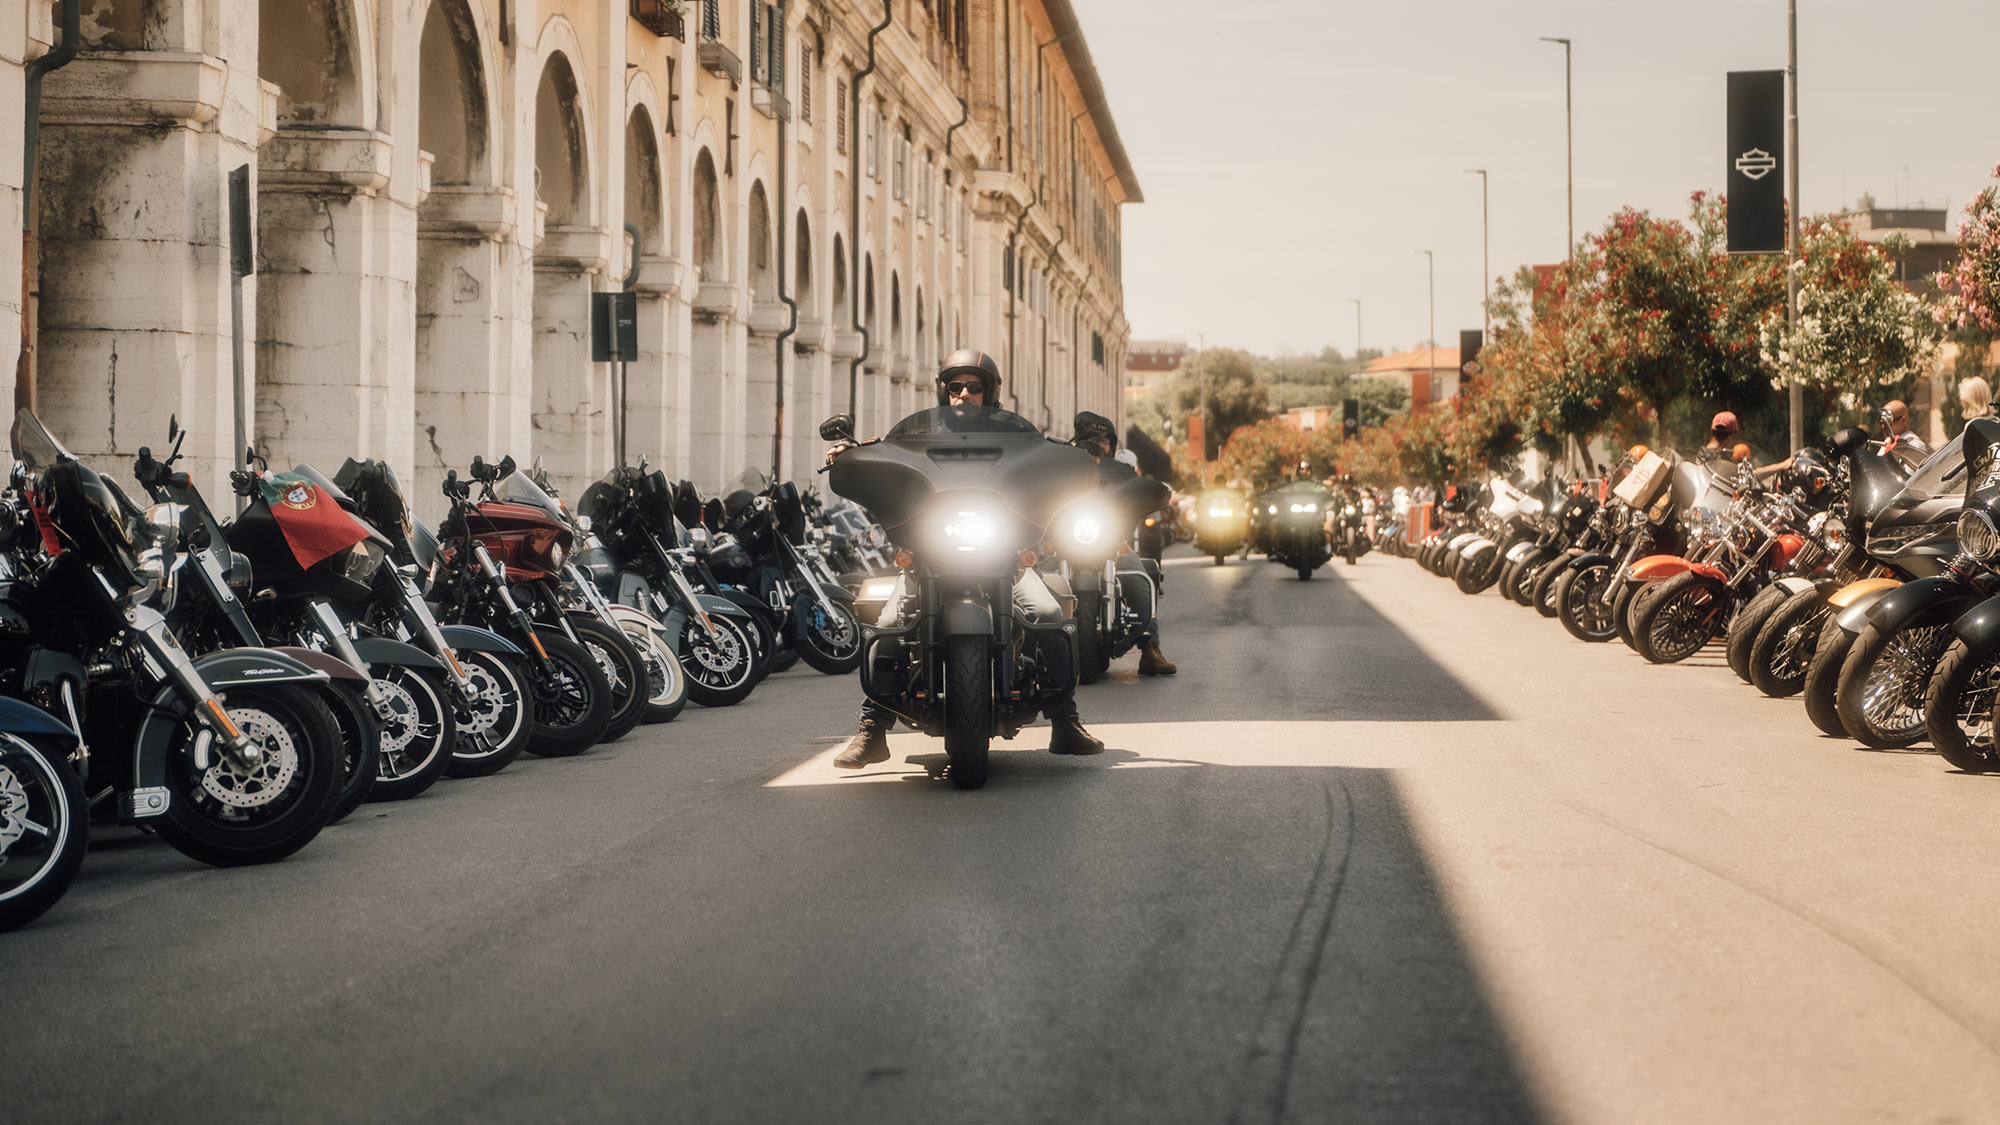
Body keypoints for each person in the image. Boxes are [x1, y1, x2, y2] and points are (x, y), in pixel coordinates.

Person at [830, 350, 1106, 767]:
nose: (964, 395)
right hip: (928, 560)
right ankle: (873, 727)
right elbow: (884, 455)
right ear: (944, 391)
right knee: (886, 624)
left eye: (974, 387)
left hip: (1005, 561)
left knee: (1049, 613)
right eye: (955, 387)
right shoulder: (914, 438)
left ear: (990, 392)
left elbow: (1043, 459)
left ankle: (1065, 720)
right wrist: (850, 452)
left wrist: (1074, 455)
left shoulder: (1020, 440)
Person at [1070, 410, 1177, 676]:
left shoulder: (1121, 471)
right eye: (1092, 437)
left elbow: (1139, 490)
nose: (1099, 444)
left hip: (1112, 543)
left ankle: (1150, 648)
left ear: (1113, 443)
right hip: (1067, 543)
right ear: (1080, 439)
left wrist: (1155, 493)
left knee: (1138, 570)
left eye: (1105, 439)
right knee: (1033, 576)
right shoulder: (1065, 467)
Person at [1881, 399, 1933, 465]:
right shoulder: (1887, 442)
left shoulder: (1914, 445)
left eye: (1888, 422)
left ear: (1903, 420)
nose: (1883, 426)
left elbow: (1911, 474)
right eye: (1882, 422)